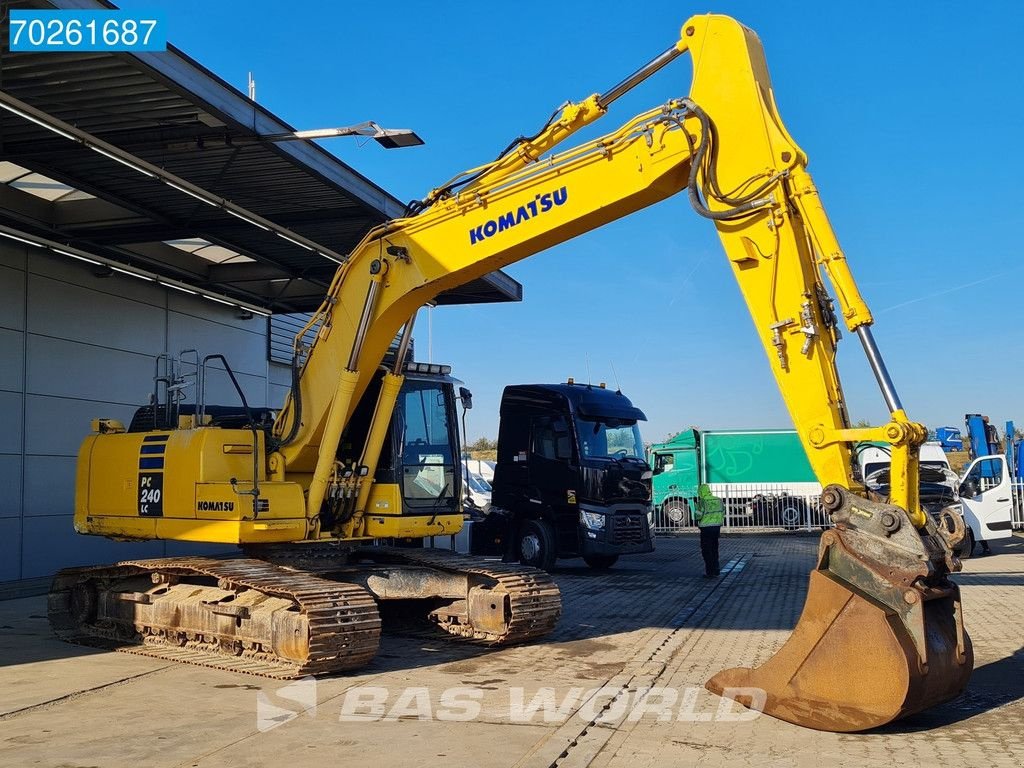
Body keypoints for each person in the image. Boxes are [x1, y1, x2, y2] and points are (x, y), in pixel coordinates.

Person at [695, 483, 725, 577]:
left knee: (706, 551)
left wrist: (696, 510)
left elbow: (698, 516)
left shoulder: (702, 501)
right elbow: (722, 512)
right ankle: (716, 569)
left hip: (706, 528)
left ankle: (710, 572)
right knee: (714, 549)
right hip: (716, 528)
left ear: (701, 492)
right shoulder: (718, 500)